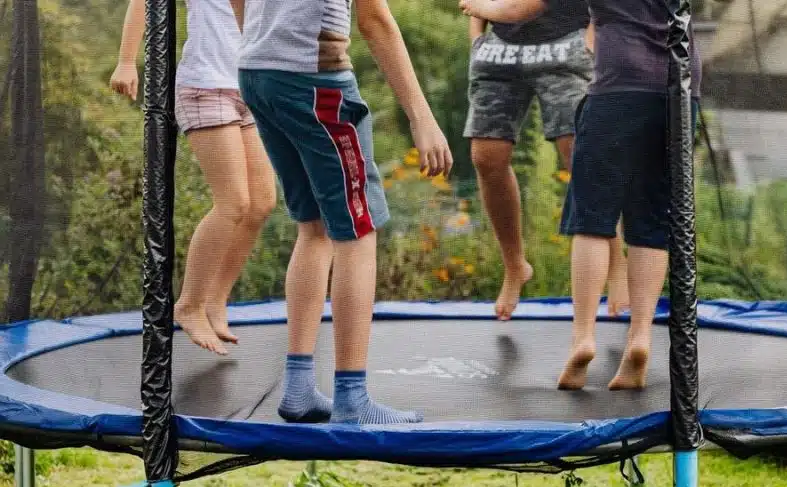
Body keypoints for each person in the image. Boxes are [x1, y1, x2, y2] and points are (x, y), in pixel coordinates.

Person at [230, 0, 453, 424]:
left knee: (312, 226)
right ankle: (352, 397)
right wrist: (421, 117)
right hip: (314, 80)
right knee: (358, 228)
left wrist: (264, 43)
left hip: (257, 73)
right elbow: (375, 20)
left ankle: (297, 387)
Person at [460, 0, 702, 390]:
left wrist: (481, 7)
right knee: (652, 220)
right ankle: (640, 337)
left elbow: (526, 7)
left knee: (590, 217)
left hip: (618, 86)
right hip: (681, 88)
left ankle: (583, 337)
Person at [111, 0, 277, 356]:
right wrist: (127, 61)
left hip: (250, 87)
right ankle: (189, 304)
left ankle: (215, 301)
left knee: (262, 203)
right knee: (233, 203)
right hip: (206, 87)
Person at [464, 0, 631, 320]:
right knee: (486, 158)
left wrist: (592, 39)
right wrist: (477, 39)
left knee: (580, 156)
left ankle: (616, 265)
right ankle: (515, 266)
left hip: (566, 42)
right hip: (500, 49)